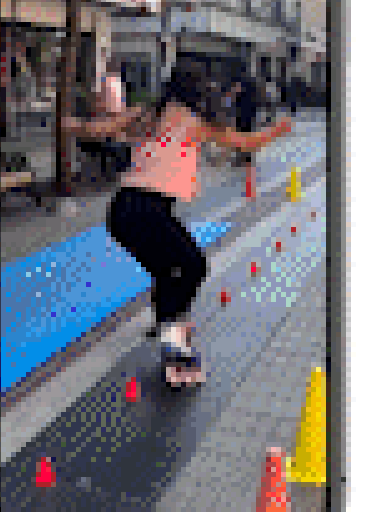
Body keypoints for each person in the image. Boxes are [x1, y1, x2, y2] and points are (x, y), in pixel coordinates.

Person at [82, 60, 292, 387]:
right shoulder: (192, 121)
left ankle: (168, 325)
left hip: (123, 211)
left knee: (173, 271)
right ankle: (172, 337)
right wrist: (278, 131)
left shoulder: (148, 114)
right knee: (191, 266)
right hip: (145, 209)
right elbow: (245, 143)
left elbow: (101, 130)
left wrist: (70, 124)